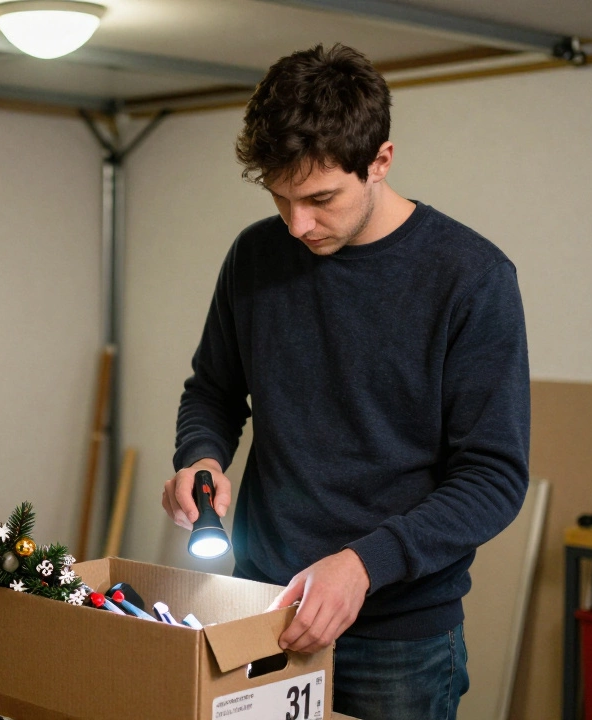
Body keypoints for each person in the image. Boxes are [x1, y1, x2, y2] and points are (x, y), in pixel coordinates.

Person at [161, 43, 530, 719]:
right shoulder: (255, 256)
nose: (298, 224)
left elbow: (494, 478)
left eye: (321, 198)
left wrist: (363, 565)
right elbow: (213, 391)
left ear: (380, 161)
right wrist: (200, 457)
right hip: (260, 607)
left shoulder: (471, 279)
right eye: (281, 198)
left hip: (399, 640)